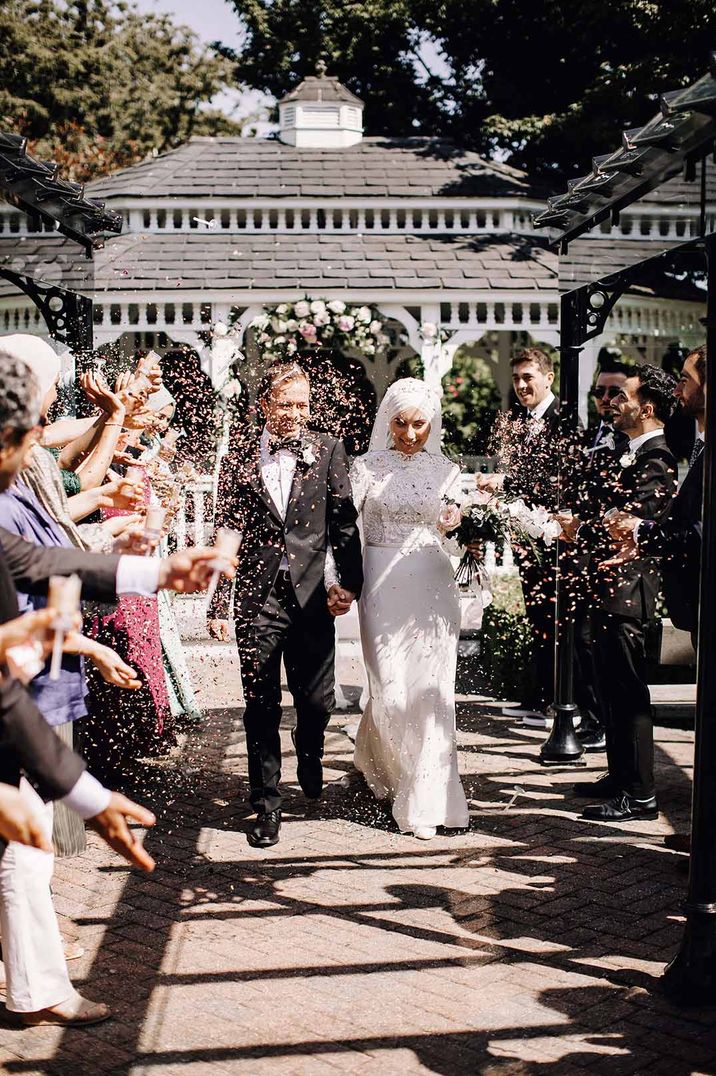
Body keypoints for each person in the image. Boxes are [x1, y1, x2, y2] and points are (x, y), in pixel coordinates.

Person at [208, 362, 363, 849]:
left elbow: (343, 526)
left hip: (314, 595)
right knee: (260, 703)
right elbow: (227, 530)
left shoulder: (329, 449)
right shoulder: (238, 455)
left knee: (315, 701)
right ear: (265, 405)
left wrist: (350, 585)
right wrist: (218, 599)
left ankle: (310, 749)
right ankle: (266, 805)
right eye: (285, 403)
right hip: (257, 598)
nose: (295, 413)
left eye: (302, 404)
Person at [348, 378, 469, 839]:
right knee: (392, 690)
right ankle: (381, 759)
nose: (411, 433)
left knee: (433, 691)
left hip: (433, 582)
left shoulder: (449, 471)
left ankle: (428, 796)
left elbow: (457, 531)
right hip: (380, 578)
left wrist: (460, 523)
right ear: (387, 421)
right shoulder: (365, 467)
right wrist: (341, 581)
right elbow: (345, 530)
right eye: (400, 423)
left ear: (432, 422)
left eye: (420, 423)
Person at [558, 364, 678, 822]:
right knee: (609, 686)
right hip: (607, 587)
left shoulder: (656, 460)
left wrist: (580, 528)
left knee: (628, 692)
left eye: (621, 396)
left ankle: (641, 796)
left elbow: (626, 527)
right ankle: (620, 775)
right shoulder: (627, 452)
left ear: (645, 407)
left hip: (629, 592)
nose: (611, 403)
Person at [478, 348, 562, 722]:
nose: (522, 385)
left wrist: (506, 482)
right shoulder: (523, 421)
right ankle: (540, 696)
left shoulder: (563, 421)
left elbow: (553, 480)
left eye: (529, 377)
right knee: (537, 616)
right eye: (516, 379)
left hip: (556, 538)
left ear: (549, 377)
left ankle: (557, 702)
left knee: (554, 620)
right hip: (528, 537)